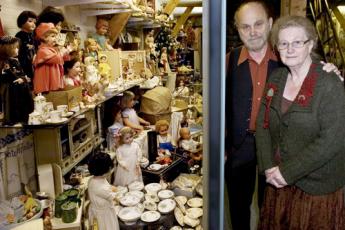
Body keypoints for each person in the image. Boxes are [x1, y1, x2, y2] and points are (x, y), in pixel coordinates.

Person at [224, 1, 341, 229]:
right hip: (240, 149)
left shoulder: (287, 59)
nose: (253, 31)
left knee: (271, 207)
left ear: (269, 24)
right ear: (237, 30)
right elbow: (218, 106)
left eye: (258, 24)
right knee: (240, 210)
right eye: (245, 26)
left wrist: (332, 70)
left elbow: (331, 133)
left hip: (284, 155)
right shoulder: (226, 62)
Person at [256, 15, 345, 230]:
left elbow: (333, 140)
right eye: (284, 43)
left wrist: (288, 172)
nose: (290, 49)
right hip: (278, 182)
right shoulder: (276, 79)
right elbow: (262, 123)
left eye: (298, 42)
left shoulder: (329, 84)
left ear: (311, 44)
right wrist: (268, 166)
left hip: (316, 189)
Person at [0, 36, 34, 124]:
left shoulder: (14, 60)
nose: (17, 50)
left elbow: (20, 75)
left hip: (19, 88)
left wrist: (23, 79)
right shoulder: (5, 62)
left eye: (17, 48)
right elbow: (9, 76)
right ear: (8, 49)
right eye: (15, 48)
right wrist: (22, 79)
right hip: (11, 90)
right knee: (13, 108)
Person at [33, 23, 68, 94]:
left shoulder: (51, 49)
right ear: (44, 38)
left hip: (53, 76)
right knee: (49, 96)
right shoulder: (42, 50)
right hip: (47, 79)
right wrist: (63, 51)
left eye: (55, 36)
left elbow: (63, 59)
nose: (55, 39)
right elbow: (56, 58)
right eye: (52, 36)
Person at [87, 152, 120, 230]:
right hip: (104, 216)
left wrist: (112, 188)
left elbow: (107, 187)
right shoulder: (101, 188)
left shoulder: (92, 179)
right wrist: (120, 196)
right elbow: (114, 197)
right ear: (104, 170)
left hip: (97, 211)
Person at [15, 10, 37, 82]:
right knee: (27, 75)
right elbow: (18, 49)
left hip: (33, 58)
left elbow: (35, 46)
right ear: (22, 22)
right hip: (24, 60)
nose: (33, 24)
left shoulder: (33, 35)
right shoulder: (19, 35)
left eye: (34, 22)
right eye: (30, 21)